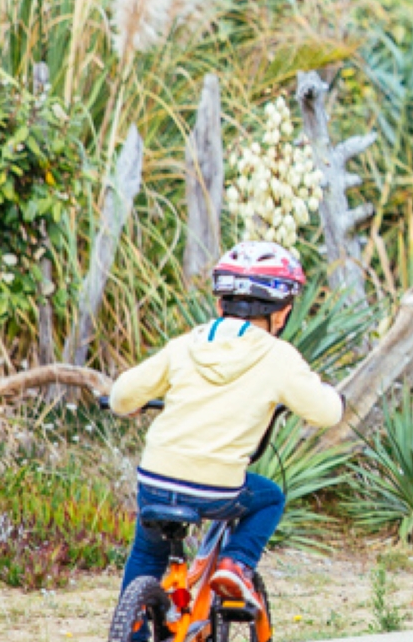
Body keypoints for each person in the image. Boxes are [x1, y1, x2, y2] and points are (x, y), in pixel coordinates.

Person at [106, 241, 344, 599]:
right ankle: (235, 564)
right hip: (216, 489)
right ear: (281, 314)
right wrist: (333, 397)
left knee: (146, 553)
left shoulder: (187, 344)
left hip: (156, 477)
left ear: (219, 304)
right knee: (269, 498)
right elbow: (326, 413)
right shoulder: (279, 357)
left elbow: (122, 396)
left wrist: (132, 405)